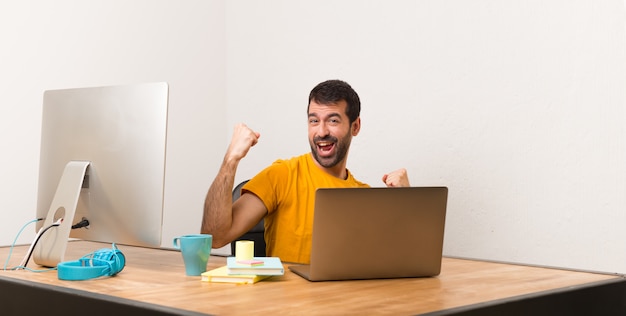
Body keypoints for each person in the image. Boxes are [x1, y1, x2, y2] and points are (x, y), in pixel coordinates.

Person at [202, 79, 410, 264]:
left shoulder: (364, 196)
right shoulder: (281, 175)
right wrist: (230, 160)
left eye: (333, 120)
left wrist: (407, 201)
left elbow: (400, 264)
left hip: (345, 304)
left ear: (355, 126)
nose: (321, 132)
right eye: (314, 120)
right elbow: (214, 237)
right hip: (290, 305)